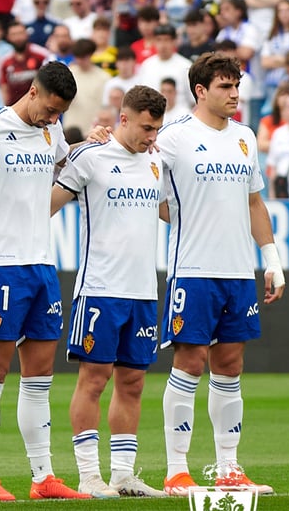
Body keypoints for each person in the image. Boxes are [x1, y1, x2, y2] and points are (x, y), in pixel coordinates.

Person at [156, 53, 284, 497]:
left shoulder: (245, 137)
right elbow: (150, 190)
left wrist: (271, 257)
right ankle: (176, 471)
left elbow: (254, 202)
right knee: (190, 362)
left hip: (236, 271)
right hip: (192, 270)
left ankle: (228, 467)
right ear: (201, 90)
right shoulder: (173, 137)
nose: (235, 94)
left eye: (237, 86)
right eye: (226, 87)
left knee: (230, 365)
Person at [0, 61, 87, 502]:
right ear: (33, 92)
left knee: (39, 376)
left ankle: (43, 478)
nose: (53, 119)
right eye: (50, 109)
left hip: (42, 264)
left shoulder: (52, 133)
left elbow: (62, 173)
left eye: (60, 113)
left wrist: (88, 143)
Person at [49, 86, 169, 498]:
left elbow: (173, 210)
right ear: (124, 119)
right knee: (93, 379)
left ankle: (123, 475)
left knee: (133, 382)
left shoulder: (157, 162)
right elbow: (47, 202)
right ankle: (88, 476)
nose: (151, 137)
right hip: (99, 289)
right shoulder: (91, 157)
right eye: (146, 128)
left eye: (157, 130)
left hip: (142, 292)